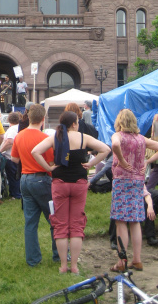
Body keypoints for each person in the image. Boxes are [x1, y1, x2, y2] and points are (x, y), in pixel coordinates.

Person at [32, 111, 110, 273]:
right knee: (76, 225)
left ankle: (63, 266)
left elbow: (35, 152)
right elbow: (105, 149)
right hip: (79, 183)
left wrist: (48, 168)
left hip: (59, 182)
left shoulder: (55, 137)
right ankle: (74, 266)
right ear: (74, 124)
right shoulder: (83, 138)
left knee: (60, 224)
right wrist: (91, 164)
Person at [110, 109, 158, 272]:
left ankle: (122, 261)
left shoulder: (119, 136)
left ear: (120, 122)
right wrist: (147, 161)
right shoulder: (141, 139)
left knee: (121, 221)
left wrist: (121, 160)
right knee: (135, 221)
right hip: (137, 181)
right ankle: (137, 259)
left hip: (121, 181)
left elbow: (114, 145)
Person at [11, 104, 59, 267]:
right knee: (54, 218)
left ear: (29, 118)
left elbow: (14, 159)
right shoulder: (44, 139)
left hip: (25, 180)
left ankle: (33, 259)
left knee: (30, 222)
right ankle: (58, 254)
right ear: (43, 119)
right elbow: (51, 163)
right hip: (42, 179)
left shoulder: (19, 136)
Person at [0, 111, 23, 199]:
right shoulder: (20, 128)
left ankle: (15, 194)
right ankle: (17, 192)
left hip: (10, 156)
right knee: (16, 176)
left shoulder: (13, 130)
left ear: (9, 120)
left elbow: (10, 142)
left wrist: (0, 150)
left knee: (13, 176)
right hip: (17, 156)